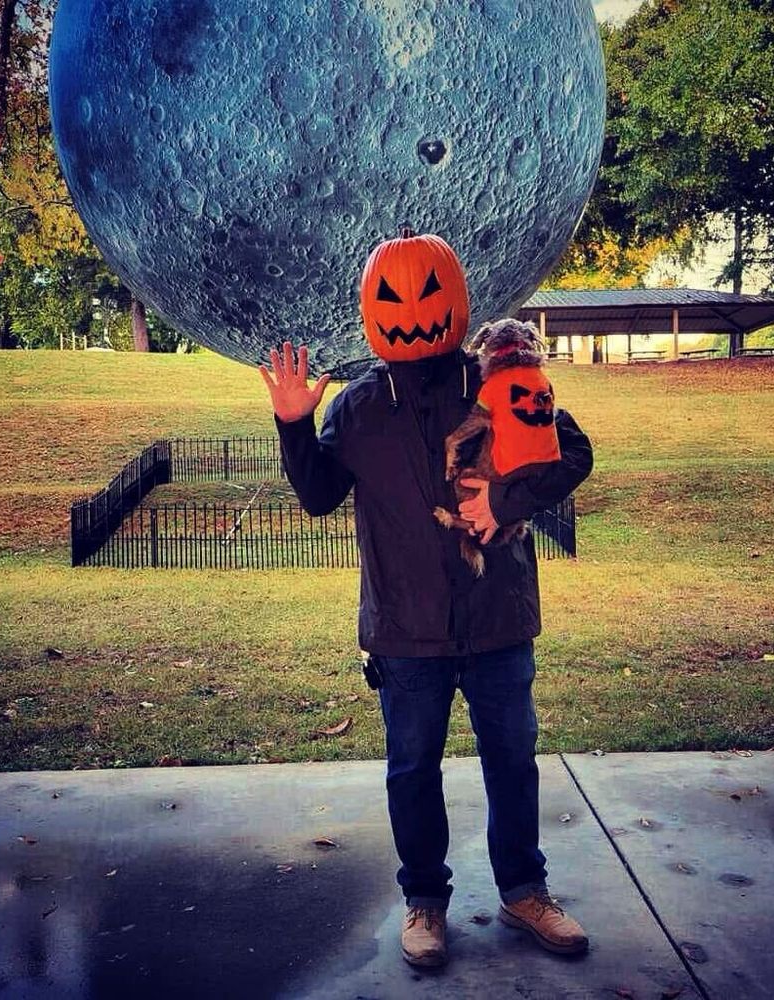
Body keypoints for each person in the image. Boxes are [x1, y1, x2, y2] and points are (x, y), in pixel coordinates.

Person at [259, 238, 594, 969]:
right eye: (390, 299)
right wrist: (292, 422)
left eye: (427, 291)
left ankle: (524, 890)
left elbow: (572, 453)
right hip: (405, 629)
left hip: (498, 616)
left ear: (457, 297)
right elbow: (318, 495)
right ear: (370, 312)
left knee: (512, 759)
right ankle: (426, 902)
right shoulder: (356, 408)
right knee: (412, 769)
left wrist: (504, 497)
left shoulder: (498, 383)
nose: (411, 312)